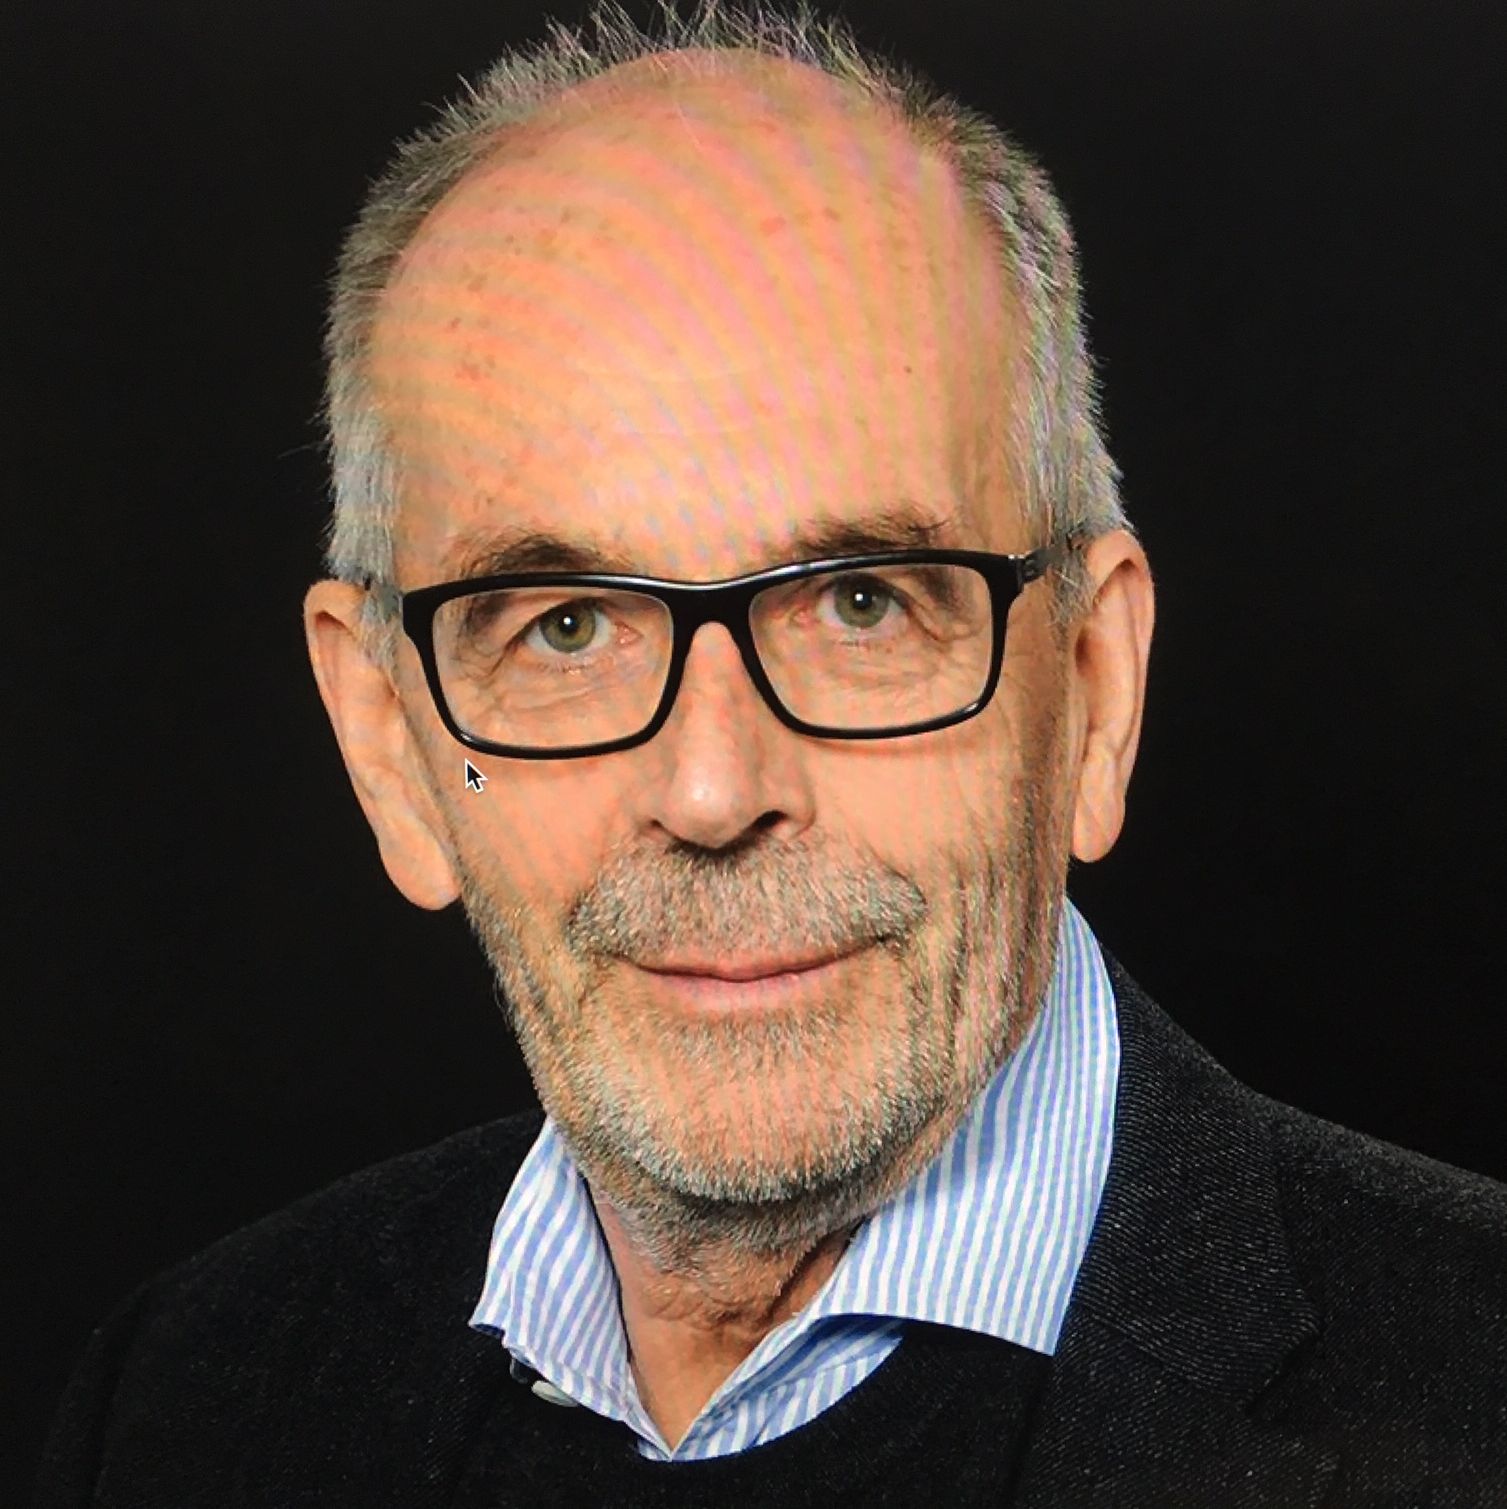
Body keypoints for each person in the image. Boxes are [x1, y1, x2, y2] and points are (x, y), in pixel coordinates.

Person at [33, 2, 1507, 1504]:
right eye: (564, 628)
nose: (713, 788)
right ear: (388, 747)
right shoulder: (183, 1405)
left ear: (1093, 689)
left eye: (861, 603)